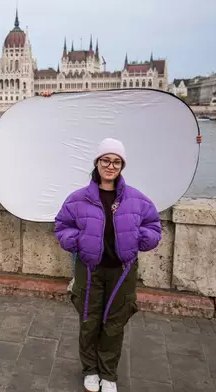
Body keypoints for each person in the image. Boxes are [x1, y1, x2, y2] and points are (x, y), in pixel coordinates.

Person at [54, 138, 162, 392]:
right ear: (97, 163)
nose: (110, 166)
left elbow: (154, 226)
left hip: (122, 271)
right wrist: (76, 241)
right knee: (89, 321)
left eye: (116, 162)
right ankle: (90, 370)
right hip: (89, 270)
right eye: (106, 160)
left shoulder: (136, 199)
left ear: (122, 166)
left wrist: (140, 239)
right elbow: (61, 226)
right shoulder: (78, 199)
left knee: (114, 323)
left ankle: (108, 374)